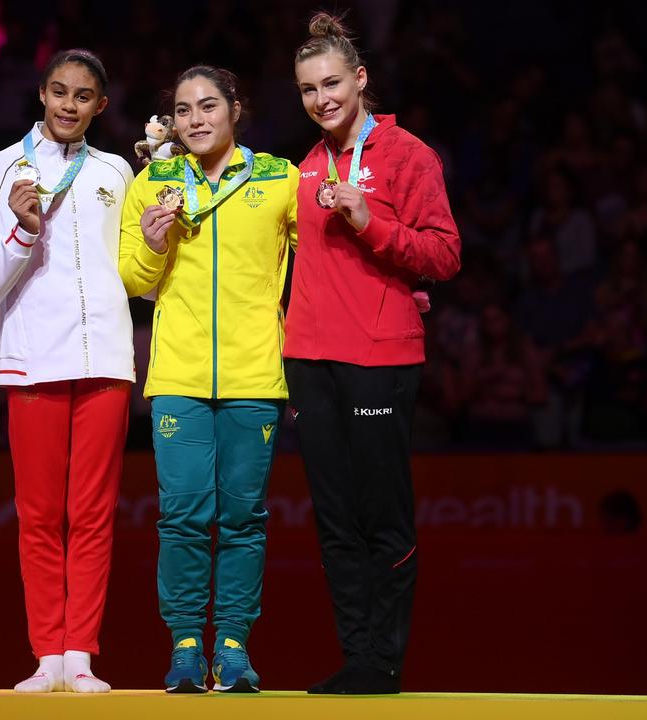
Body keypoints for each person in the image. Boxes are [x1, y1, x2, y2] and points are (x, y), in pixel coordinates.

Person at [285, 12, 461, 694]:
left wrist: (370, 221)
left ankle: (383, 660)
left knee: (382, 515)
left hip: (379, 357)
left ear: (360, 80)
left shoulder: (408, 155)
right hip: (309, 358)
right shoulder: (305, 166)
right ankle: (356, 655)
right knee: (334, 519)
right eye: (307, 89)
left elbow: (445, 254)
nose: (322, 98)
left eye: (332, 83)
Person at [118, 65, 298, 694]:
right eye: (184, 110)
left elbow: (324, 261)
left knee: (245, 517)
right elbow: (137, 280)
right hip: (179, 376)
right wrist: (150, 243)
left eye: (208, 106)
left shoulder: (280, 178)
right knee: (184, 516)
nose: (195, 120)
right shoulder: (153, 183)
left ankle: (235, 647)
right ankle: (188, 646)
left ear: (236, 109)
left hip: (255, 374)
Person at [0, 49, 133, 694]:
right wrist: (23, 232)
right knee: (39, 514)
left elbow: (133, 272)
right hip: (33, 357)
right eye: (58, 91)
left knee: (92, 512)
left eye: (82, 95)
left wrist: (153, 237)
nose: (68, 104)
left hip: (105, 357)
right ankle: (46, 658)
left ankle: (81, 655)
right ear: (41, 93)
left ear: (101, 105)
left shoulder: (116, 172)